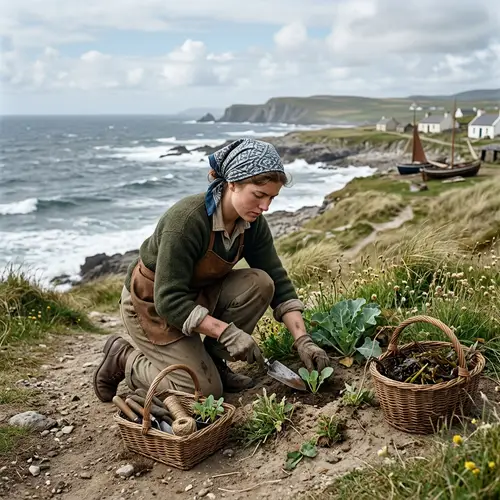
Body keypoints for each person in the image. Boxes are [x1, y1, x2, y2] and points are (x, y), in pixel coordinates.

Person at [93, 138, 330, 402]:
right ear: (233, 184)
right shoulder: (186, 221)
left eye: (272, 197)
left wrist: (303, 340)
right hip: (153, 306)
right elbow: (168, 300)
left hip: (199, 296)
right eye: (259, 195)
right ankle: (124, 359)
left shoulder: (253, 223)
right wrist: (227, 332)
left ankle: (214, 362)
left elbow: (276, 278)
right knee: (204, 393)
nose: (265, 207)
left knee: (261, 282)